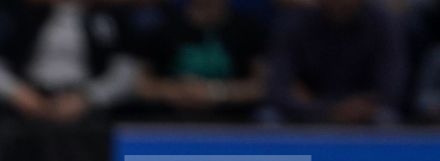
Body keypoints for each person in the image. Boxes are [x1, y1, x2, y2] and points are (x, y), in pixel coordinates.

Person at [0, 0, 138, 122]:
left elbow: (126, 73)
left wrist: (88, 97)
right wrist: (17, 92)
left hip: (86, 108)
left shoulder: (108, 19)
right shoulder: (24, 17)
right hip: (29, 103)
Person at [266, 0, 405, 125]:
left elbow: (392, 86)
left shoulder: (382, 22)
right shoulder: (296, 23)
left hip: (364, 110)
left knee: (386, 117)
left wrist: (363, 105)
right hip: (310, 110)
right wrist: (326, 110)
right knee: (269, 117)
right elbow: (278, 87)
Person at [134, 0, 269, 122]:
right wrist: (178, 91)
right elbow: (143, 87)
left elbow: (260, 86)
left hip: (234, 123)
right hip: (168, 123)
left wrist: (216, 92)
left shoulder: (248, 29)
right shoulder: (162, 29)